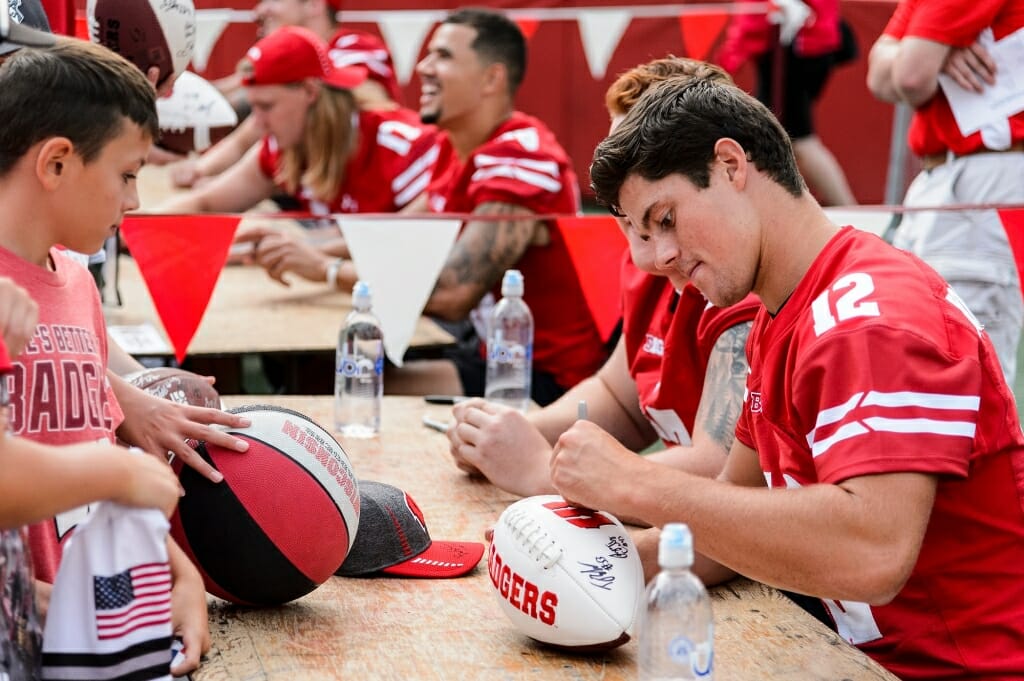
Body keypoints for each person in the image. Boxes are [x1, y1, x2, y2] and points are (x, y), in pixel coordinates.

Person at [571, 72, 1024, 678]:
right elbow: (732, 517)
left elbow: (873, 551)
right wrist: (583, 562)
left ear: (731, 165)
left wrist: (633, 484)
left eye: (666, 217)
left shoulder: (870, 315)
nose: (656, 257)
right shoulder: (783, 311)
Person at [0, 38, 264, 673]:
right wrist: (54, 603)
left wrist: (179, 580)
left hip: (92, 637)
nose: (137, 200)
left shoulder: (78, 284)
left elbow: (95, 443)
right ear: (57, 163)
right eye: (127, 173)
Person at [447, 57, 760, 501]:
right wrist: (508, 438)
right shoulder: (653, 254)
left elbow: (721, 473)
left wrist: (544, 471)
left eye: (637, 158)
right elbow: (620, 400)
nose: (618, 178)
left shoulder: (733, 275)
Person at [266, 8, 608, 405]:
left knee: (335, 382)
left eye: (443, 56)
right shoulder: (455, 146)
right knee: (326, 371)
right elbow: (396, 230)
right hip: (490, 354)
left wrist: (324, 270)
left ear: (491, 78)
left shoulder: (519, 156)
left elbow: (453, 292)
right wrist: (279, 249)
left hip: (543, 380)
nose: (424, 67)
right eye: (427, 53)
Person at [866, 0, 1024, 386]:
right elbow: (878, 73)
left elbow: (910, 77)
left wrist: (926, 55)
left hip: (981, 177)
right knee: (933, 359)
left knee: (964, 376)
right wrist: (934, 52)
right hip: (960, 177)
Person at [158, 26, 435, 222]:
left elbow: (402, 238)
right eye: (253, 106)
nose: (258, 121)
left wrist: (297, 246)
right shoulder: (286, 144)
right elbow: (205, 202)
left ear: (310, 92)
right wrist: (126, 228)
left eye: (267, 106)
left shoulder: (403, 147)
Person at [171, 0, 402, 188]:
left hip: (365, 186)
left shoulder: (355, 46)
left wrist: (204, 169)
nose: (260, 10)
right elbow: (235, 92)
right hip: (320, 189)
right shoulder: (287, 64)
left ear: (313, 4)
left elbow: (354, 103)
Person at [717, 0, 857, 206]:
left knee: (795, 138)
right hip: (793, 38)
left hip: (792, 43)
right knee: (779, 137)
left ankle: (849, 209)